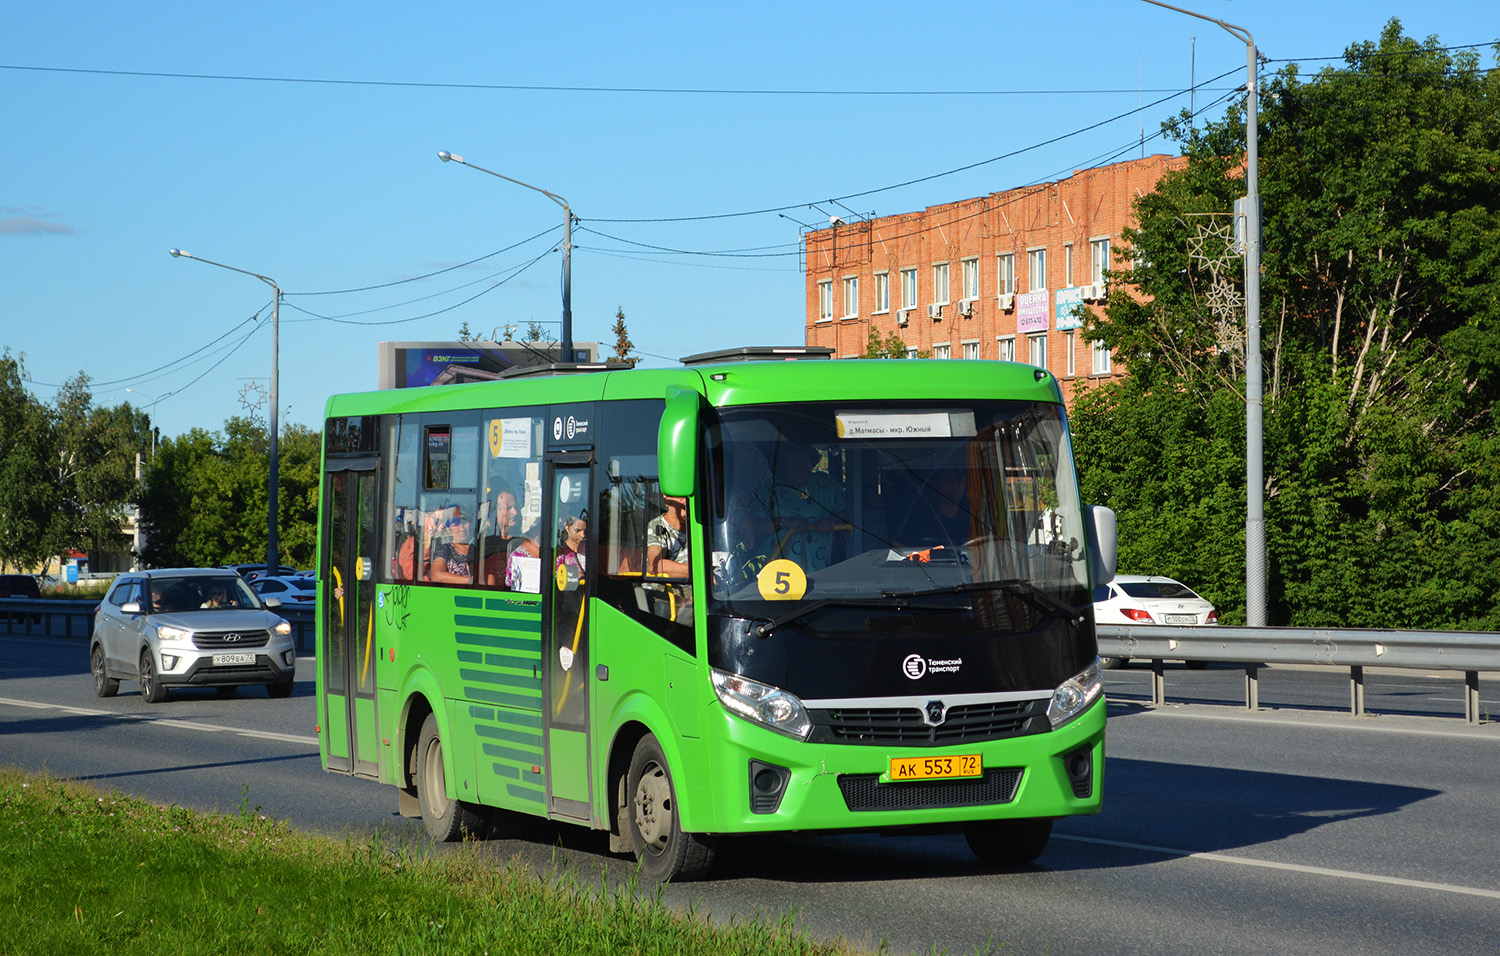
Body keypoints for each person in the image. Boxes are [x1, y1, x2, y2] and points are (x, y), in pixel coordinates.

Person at [767, 444, 847, 571]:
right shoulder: (770, 491)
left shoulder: (826, 484)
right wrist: (786, 522)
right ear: (785, 463)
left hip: (820, 570)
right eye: (793, 458)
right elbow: (752, 527)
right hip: (774, 572)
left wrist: (831, 520)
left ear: (812, 463)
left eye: (804, 458)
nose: (798, 463)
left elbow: (848, 514)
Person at [481, 489, 540, 589]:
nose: (515, 512)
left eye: (516, 507)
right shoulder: (483, 545)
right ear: (494, 512)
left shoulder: (528, 543)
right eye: (508, 508)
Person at [646, 495, 691, 622]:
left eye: (689, 496)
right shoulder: (658, 527)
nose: (686, 501)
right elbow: (655, 566)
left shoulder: (697, 528)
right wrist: (701, 576)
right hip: (666, 599)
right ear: (666, 499)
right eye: (681, 496)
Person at [429, 512, 475, 584]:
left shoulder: (479, 549)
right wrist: (469, 581)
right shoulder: (444, 548)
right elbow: (437, 575)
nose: (462, 528)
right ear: (448, 528)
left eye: (464, 523)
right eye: (456, 524)